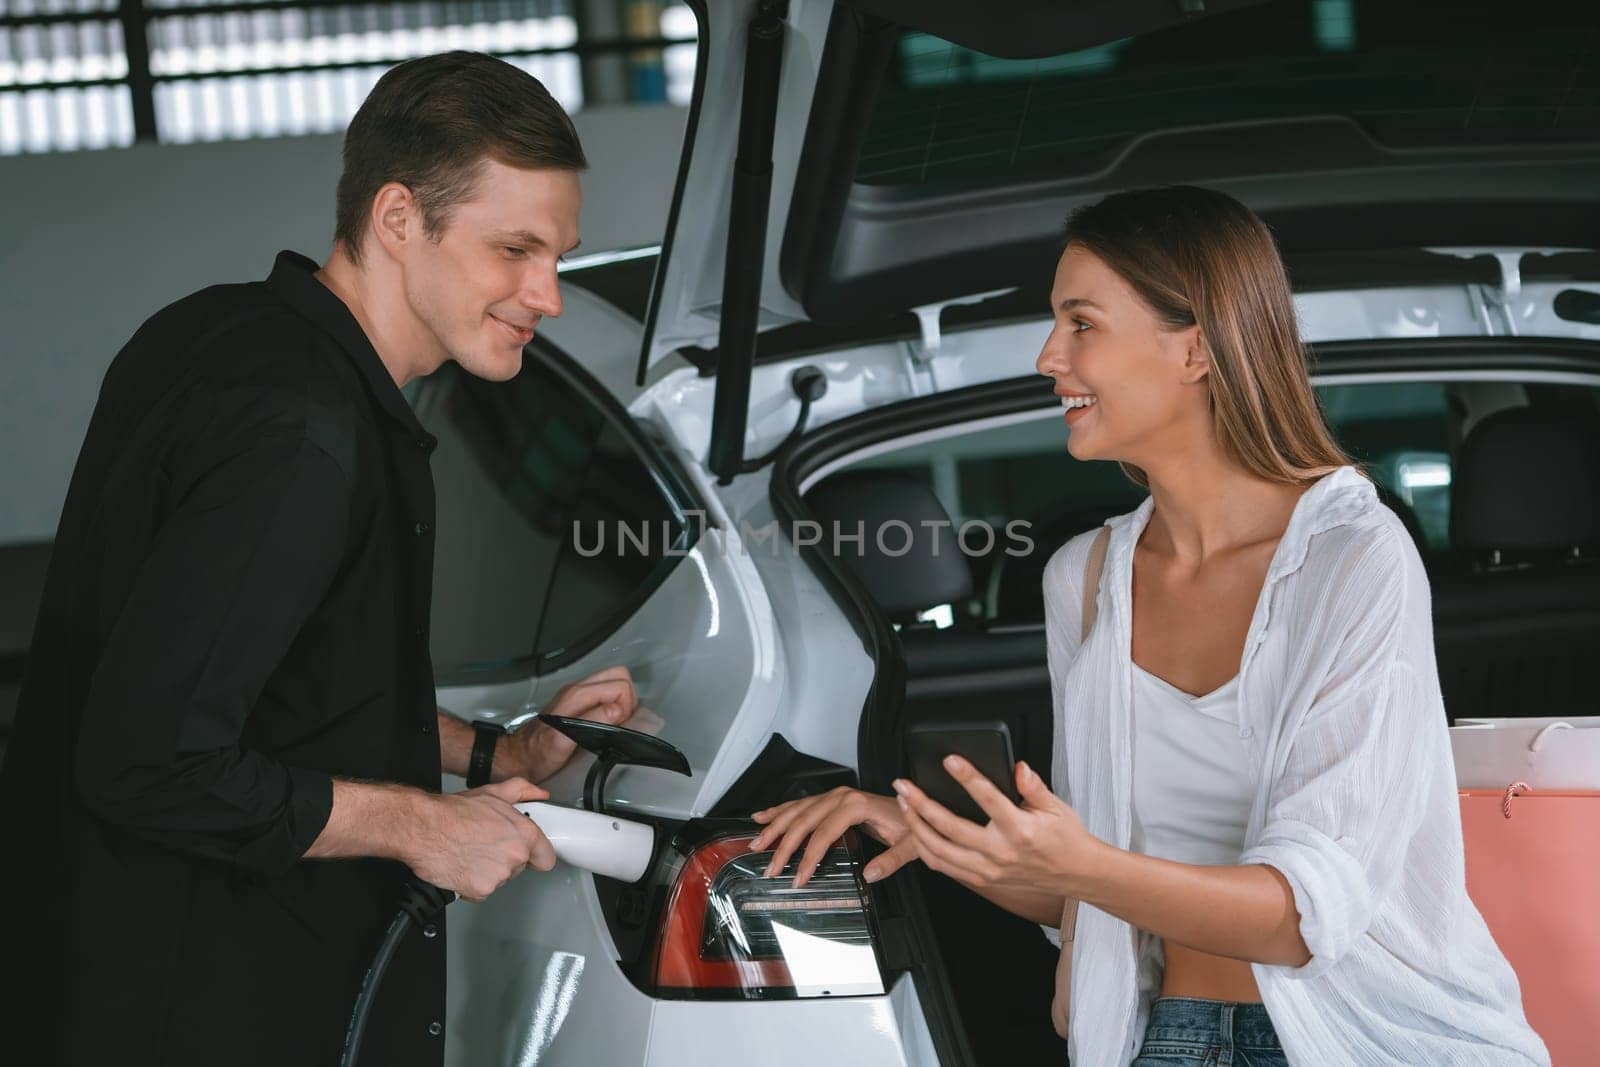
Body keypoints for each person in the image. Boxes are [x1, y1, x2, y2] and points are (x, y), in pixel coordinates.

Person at [748, 187, 1550, 1066]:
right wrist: (938, 837)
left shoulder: (1353, 556)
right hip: (1166, 1036)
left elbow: (1300, 919)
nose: (1049, 356)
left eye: (1080, 322)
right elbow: (1090, 894)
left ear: (1198, 348)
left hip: (1364, 1042)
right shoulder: (1085, 581)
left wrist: (1076, 865)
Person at [0, 51, 639, 1066]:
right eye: (514, 249)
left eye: (556, 256)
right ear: (397, 218)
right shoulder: (302, 434)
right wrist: (421, 825)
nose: (545, 294)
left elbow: (276, 681)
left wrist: (493, 756)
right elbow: (148, 758)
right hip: (201, 1014)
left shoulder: (213, 334)